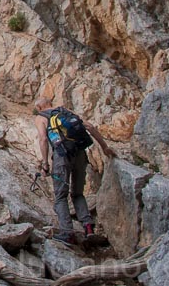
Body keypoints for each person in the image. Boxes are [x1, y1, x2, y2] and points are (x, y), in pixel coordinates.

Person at [34, 97, 116, 243]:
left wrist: (45, 164)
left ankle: (67, 233)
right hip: (79, 154)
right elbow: (90, 127)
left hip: (61, 157)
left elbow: (43, 139)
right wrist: (105, 147)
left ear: (39, 108)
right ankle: (88, 228)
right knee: (78, 193)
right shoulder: (64, 111)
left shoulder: (41, 118)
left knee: (61, 196)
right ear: (50, 103)